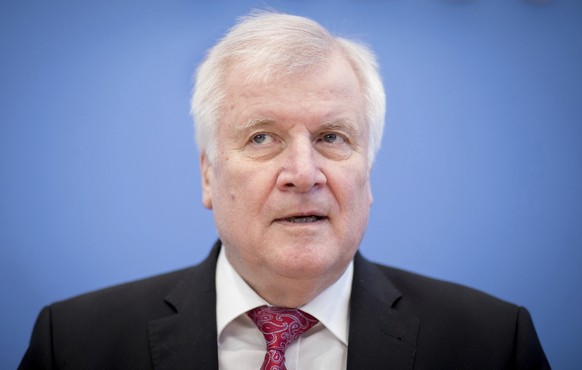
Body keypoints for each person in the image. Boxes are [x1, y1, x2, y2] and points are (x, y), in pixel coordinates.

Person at [19, 11, 550, 370]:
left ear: (370, 173)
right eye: (262, 137)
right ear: (208, 174)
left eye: (332, 137)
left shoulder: (493, 343)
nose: (303, 172)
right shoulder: (72, 344)